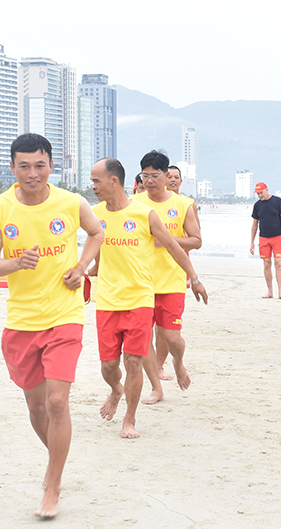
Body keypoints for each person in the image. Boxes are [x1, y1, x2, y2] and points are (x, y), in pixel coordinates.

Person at [0, 133, 103, 518]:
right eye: (24, 166)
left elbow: (97, 232)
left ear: (51, 165)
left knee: (56, 401)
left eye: (39, 165)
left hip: (65, 314)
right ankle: (57, 462)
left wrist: (81, 268)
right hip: (21, 321)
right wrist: (16, 263)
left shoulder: (71, 202)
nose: (32, 173)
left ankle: (52, 484)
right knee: (36, 407)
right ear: (13, 167)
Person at [88, 157, 208, 439]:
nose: (92, 186)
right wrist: (87, 268)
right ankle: (116, 389)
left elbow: (174, 247)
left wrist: (195, 279)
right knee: (108, 366)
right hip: (107, 300)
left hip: (141, 298)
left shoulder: (145, 214)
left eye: (96, 181)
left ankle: (129, 420)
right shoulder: (94, 214)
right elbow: (93, 246)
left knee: (133, 360)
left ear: (113, 181)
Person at [132, 151, 202, 404]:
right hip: (140, 282)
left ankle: (178, 363)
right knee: (142, 340)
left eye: (155, 175)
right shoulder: (133, 204)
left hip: (172, 280)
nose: (149, 180)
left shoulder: (182, 205)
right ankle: (156, 387)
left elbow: (196, 241)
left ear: (166, 176)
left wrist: (166, 240)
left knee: (172, 337)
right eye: (145, 176)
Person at [250, 182, 281, 299]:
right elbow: (254, 225)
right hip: (263, 238)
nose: (260, 195)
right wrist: (252, 242)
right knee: (266, 264)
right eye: (258, 194)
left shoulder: (277, 201)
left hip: (278, 237)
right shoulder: (257, 205)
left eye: (261, 193)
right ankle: (270, 291)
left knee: (279, 263)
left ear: (267, 190)